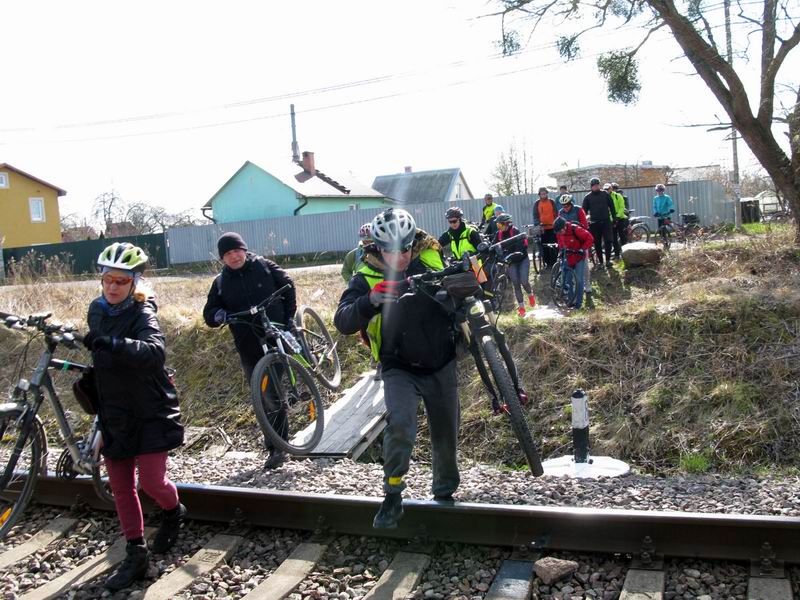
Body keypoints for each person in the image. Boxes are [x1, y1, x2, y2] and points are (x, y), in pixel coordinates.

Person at [334, 208, 460, 529]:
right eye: (391, 250)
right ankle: (392, 496)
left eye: (405, 248)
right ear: (378, 248)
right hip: (398, 365)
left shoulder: (429, 258)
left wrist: (457, 290)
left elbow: (458, 288)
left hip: (440, 361)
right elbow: (343, 320)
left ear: (413, 242)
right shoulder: (365, 276)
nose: (400, 257)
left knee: (446, 431)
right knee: (401, 425)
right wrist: (370, 300)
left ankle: (444, 494)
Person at [83, 242, 185, 591]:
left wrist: (112, 344)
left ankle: (173, 511)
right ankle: (136, 553)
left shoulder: (143, 314)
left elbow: (154, 353)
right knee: (121, 486)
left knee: (152, 483)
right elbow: (96, 346)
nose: (112, 287)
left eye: (121, 281)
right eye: (107, 279)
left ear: (134, 283)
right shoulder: (96, 310)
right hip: (114, 410)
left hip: (150, 408)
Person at [202, 232, 297, 470]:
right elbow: (209, 313)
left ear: (245, 250)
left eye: (237, 251)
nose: (234, 256)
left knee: (274, 390)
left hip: (276, 333)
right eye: (228, 253)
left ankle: (280, 443)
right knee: (265, 396)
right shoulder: (221, 282)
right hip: (248, 345)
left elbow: (288, 285)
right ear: (223, 258)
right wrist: (218, 315)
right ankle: (277, 448)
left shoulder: (264, 266)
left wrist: (288, 317)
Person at [494, 213, 535, 316]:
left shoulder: (515, 232)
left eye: (501, 225)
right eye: (498, 225)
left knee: (524, 281)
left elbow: (522, 247)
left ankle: (530, 295)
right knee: (516, 283)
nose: (499, 227)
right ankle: (522, 308)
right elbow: (494, 246)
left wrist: (511, 255)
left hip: (522, 259)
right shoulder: (498, 234)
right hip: (510, 262)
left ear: (507, 224)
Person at [557, 194, 593, 308]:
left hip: (579, 240)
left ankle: (587, 287)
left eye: (567, 205)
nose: (565, 207)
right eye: (563, 206)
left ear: (571, 203)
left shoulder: (578, 210)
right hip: (568, 246)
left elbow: (585, 227)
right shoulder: (560, 213)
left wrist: (583, 248)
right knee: (567, 275)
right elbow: (559, 234)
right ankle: (571, 298)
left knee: (583, 270)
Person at [553, 217, 594, 309]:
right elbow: (560, 242)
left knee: (579, 280)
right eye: (558, 232)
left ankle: (578, 305)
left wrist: (582, 248)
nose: (559, 234)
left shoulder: (575, 229)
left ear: (564, 227)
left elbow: (590, 238)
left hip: (579, 257)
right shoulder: (559, 233)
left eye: (560, 231)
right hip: (568, 256)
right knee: (567, 280)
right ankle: (571, 301)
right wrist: (560, 250)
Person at [581, 177, 616, 269]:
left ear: (599, 185)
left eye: (597, 185)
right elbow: (583, 211)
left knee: (608, 241)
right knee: (597, 243)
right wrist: (584, 222)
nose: (596, 187)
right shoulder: (587, 197)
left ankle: (608, 260)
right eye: (594, 185)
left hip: (606, 221)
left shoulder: (605, 194)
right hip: (594, 223)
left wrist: (614, 219)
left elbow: (612, 207)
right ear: (591, 186)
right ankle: (600, 262)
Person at [533, 187, 559, 269]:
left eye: (545, 193)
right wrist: (538, 224)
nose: (543, 195)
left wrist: (556, 223)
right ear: (539, 195)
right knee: (544, 247)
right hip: (543, 229)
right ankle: (548, 263)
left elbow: (556, 213)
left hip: (552, 228)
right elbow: (535, 216)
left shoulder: (551, 202)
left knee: (553, 246)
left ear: (547, 193)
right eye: (542, 194)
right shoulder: (537, 203)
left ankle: (554, 262)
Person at [609, 182, 629, 259]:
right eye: (613, 188)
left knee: (623, 236)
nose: (614, 190)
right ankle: (617, 254)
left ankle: (625, 253)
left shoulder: (622, 196)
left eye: (615, 188)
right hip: (613, 219)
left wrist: (617, 216)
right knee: (614, 238)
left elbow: (624, 208)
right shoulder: (609, 196)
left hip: (621, 218)